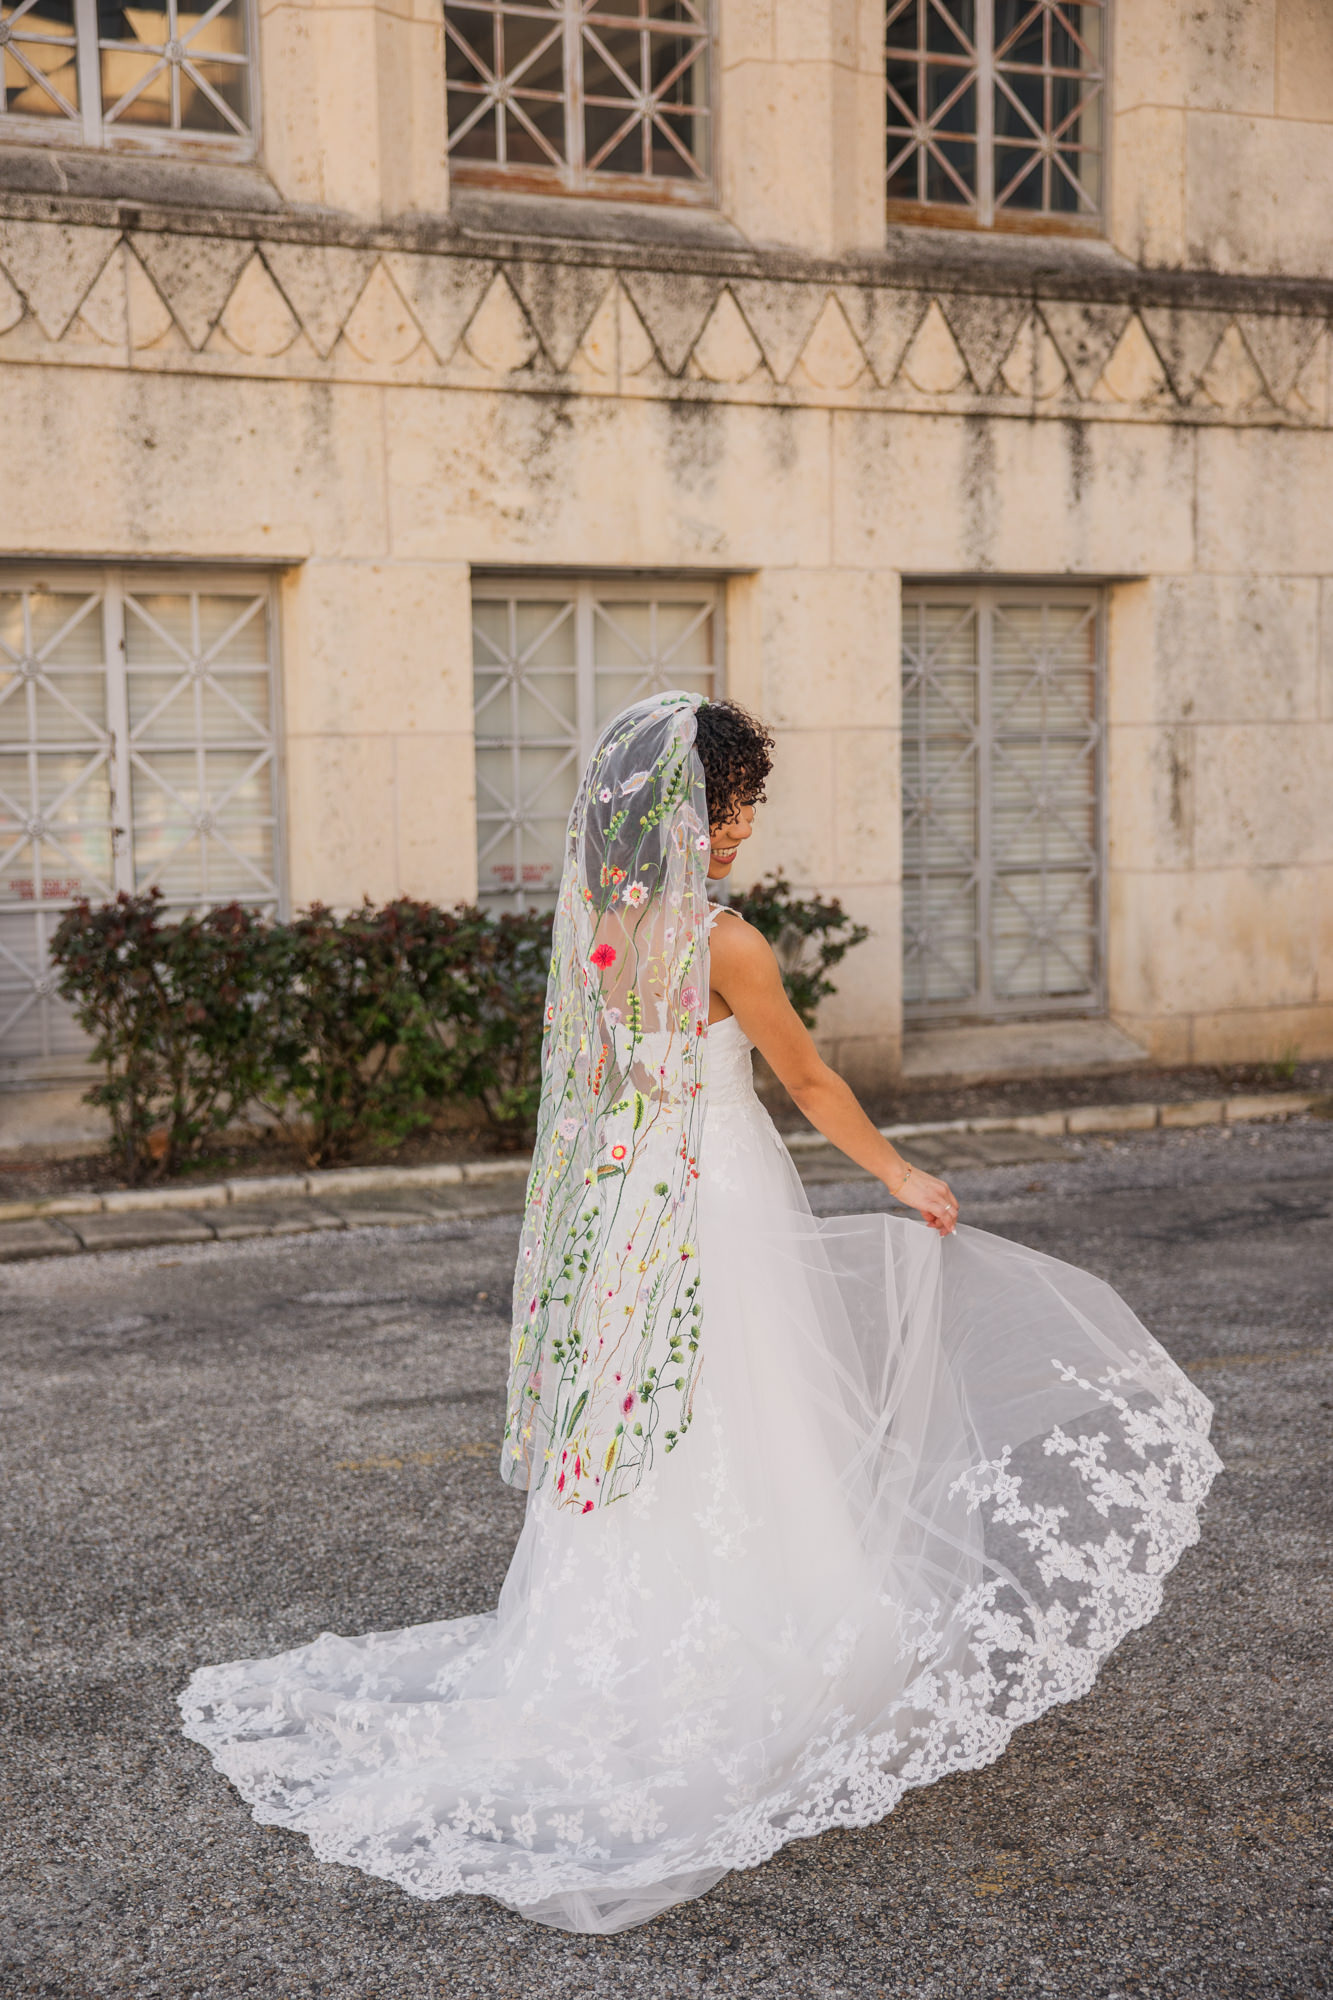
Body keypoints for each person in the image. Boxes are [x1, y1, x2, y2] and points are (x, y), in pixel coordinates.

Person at [181, 693, 1221, 1935]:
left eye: (742, 808)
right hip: (714, 1192)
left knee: (649, 1415)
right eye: (723, 806)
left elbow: (610, 1080)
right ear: (678, 807)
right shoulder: (729, 945)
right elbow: (810, 1076)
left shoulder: (602, 922)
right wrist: (897, 1174)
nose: (734, 830)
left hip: (630, 1196)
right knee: (745, 1400)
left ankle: (613, 1647)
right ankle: (753, 1651)